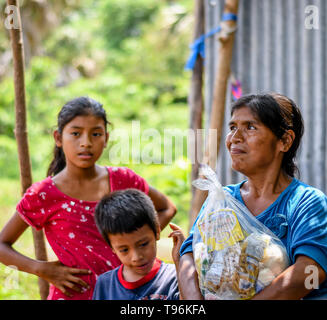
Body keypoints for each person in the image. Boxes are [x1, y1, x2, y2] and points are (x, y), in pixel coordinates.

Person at [0, 96, 177, 300]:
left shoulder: (123, 179)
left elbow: (167, 208)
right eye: (76, 133)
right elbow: (2, 244)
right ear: (58, 138)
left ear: (106, 138)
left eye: (95, 134)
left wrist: (134, 245)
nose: (86, 143)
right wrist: (41, 269)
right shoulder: (44, 194)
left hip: (125, 294)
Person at [179, 93, 327, 300]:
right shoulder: (222, 199)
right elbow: (189, 256)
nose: (234, 138)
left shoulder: (307, 202)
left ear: (284, 141)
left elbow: (311, 272)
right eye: (232, 128)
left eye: (250, 127)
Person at [92, 188, 184, 300]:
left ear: (157, 231)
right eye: (124, 250)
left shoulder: (174, 277)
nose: (136, 257)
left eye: (143, 244)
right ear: (112, 247)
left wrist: (181, 263)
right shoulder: (105, 284)